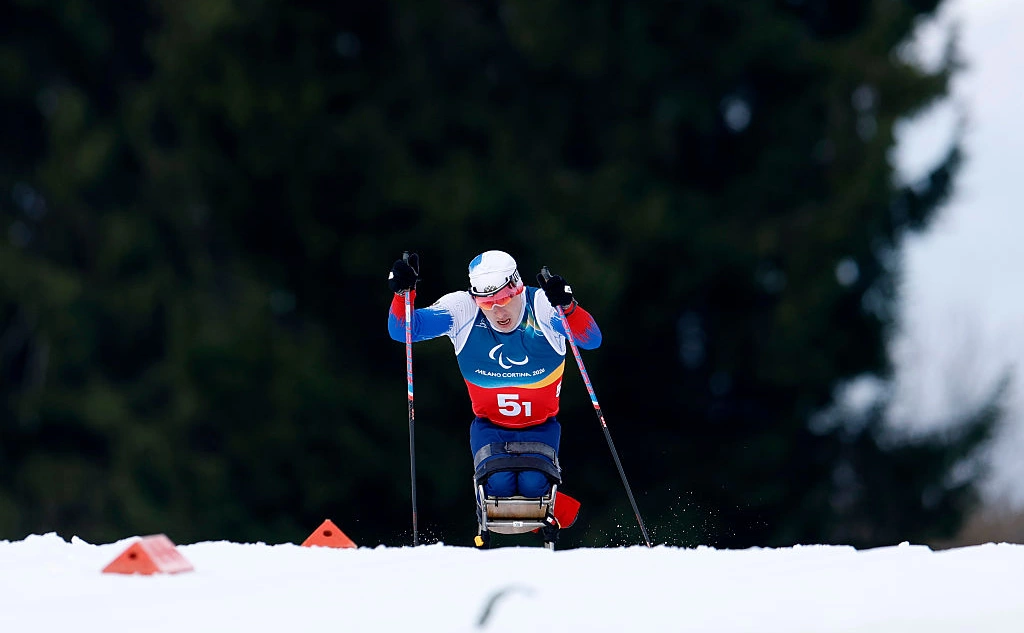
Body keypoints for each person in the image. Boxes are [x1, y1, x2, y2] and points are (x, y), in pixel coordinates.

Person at [387, 250, 602, 499]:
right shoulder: (463, 309)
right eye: (487, 303)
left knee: (534, 486)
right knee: (497, 487)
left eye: (503, 299)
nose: (498, 312)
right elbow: (404, 331)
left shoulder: (542, 305)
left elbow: (591, 339)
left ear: (517, 288)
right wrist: (403, 294)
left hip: (541, 426)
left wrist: (568, 307)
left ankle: (548, 520)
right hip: (489, 426)